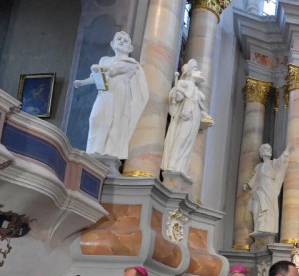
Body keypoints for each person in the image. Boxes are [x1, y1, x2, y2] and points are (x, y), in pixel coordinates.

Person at [73, 31, 149, 159]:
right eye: (119, 39)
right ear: (112, 44)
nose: (121, 41)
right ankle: (93, 151)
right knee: (95, 117)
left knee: (115, 120)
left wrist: (98, 68)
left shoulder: (131, 63)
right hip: (105, 92)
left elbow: (116, 69)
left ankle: (109, 152)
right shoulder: (105, 60)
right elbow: (98, 77)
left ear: (130, 48)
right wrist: (82, 82)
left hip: (119, 92)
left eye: (125, 41)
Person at [162, 59, 212, 174]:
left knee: (188, 144)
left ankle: (181, 168)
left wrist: (206, 117)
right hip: (186, 116)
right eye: (196, 70)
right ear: (189, 73)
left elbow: (201, 107)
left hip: (194, 117)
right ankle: (172, 167)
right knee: (181, 139)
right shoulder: (183, 84)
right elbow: (177, 98)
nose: (199, 72)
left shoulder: (196, 90)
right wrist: (175, 95)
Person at [243, 144, 291, 235]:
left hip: (269, 188)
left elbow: (281, 162)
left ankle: (267, 227)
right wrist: (248, 185)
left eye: (269, 149)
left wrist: (286, 152)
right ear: (261, 153)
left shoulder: (273, 163)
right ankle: (258, 227)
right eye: (265, 148)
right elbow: (254, 178)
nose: (268, 150)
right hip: (258, 189)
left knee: (268, 208)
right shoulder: (258, 166)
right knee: (257, 207)